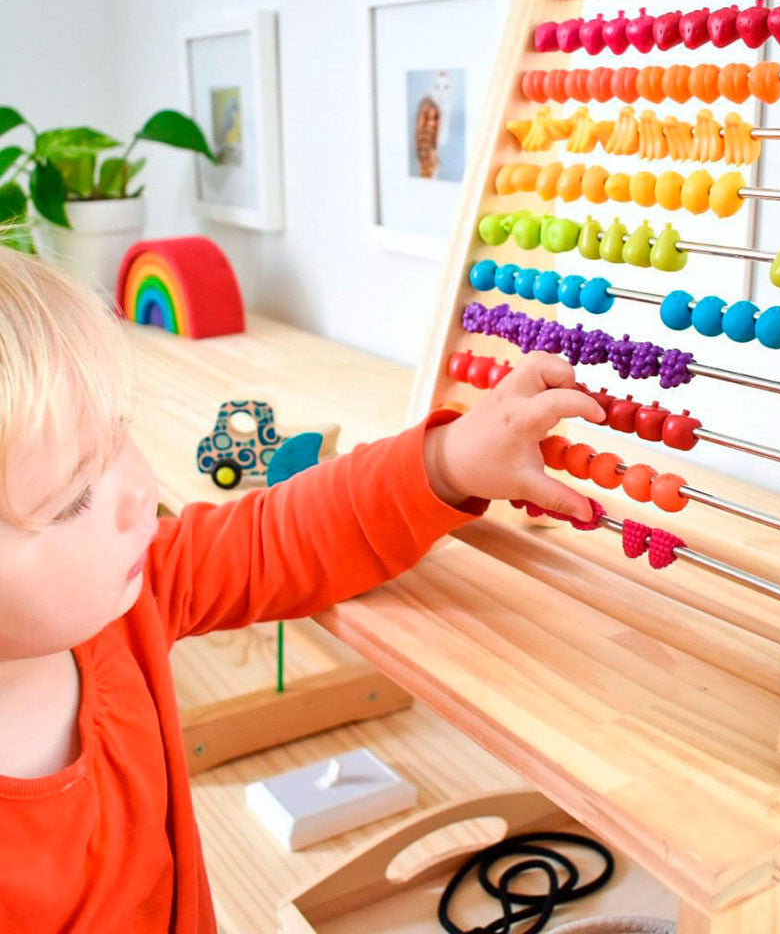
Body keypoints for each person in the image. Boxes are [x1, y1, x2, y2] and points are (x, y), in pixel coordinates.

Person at [0, 244, 604, 932]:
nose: (139, 489)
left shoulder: (128, 599)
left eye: (118, 434)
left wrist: (447, 461)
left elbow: (274, 538)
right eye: (76, 496)